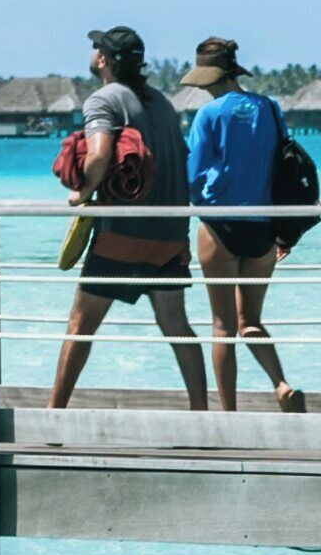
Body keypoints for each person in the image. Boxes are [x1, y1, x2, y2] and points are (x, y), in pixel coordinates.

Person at [50, 26, 207, 411]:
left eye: (95, 47)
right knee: (177, 328)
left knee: (80, 327)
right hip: (170, 235)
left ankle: (53, 415)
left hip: (123, 235)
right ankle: (203, 415)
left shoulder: (102, 100)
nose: (91, 51)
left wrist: (82, 192)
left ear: (103, 59)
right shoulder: (162, 103)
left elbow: (100, 152)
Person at [184, 36, 304, 411]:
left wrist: (201, 201)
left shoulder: (209, 115)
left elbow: (194, 175)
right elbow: (283, 162)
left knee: (222, 327)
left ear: (206, 77)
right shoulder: (269, 108)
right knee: (250, 319)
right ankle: (281, 384)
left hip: (220, 225)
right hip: (264, 228)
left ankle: (229, 414)